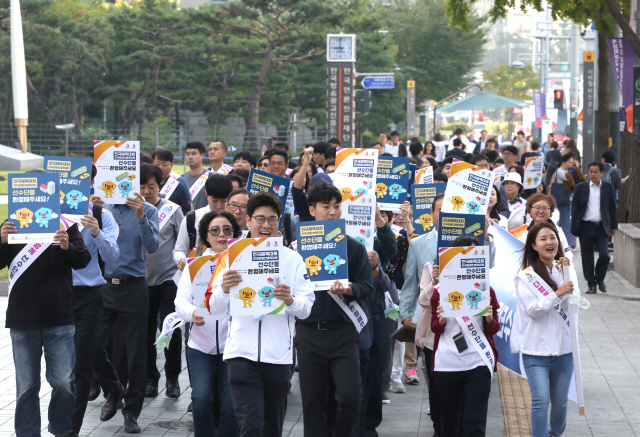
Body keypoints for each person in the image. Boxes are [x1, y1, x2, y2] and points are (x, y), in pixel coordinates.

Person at [209, 192, 315, 437]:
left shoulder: (293, 260)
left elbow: (307, 308)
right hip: (240, 356)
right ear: (248, 220)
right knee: (250, 427)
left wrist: (289, 300)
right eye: (260, 219)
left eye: (272, 219)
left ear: (279, 222)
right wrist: (225, 289)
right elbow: (213, 307)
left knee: (272, 429)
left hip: (278, 358)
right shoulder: (229, 258)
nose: (266, 225)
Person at [1, 173, 91, 437]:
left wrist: (66, 247)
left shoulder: (66, 225)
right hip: (22, 318)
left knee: (64, 382)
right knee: (26, 386)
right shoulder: (11, 225)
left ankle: (61, 430)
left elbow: (83, 259)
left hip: (60, 316)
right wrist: (1, 240)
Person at [295, 182, 374, 437]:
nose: (332, 212)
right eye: (325, 206)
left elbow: (367, 287)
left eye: (336, 206)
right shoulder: (296, 249)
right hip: (309, 333)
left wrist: (348, 289)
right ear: (312, 209)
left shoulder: (354, 247)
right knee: (312, 400)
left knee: (351, 397)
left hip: (344, 333)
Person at [90, 174, 160, 433]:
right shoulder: (100, 208)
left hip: (134, 288)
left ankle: (132, 412)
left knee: (136, 354)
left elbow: (152, 247)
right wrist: (92, 210)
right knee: (93, 343)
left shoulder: (148, 209)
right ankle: (113, 390)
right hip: (104, 285)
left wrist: (141, 216)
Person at [175, 211, 242, 437]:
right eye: (215, 230)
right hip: (200, 345)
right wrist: (192, 312)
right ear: (205, 236)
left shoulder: (242, 264)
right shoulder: (195, 265)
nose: (221, 234)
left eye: (227, 230)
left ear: (235, 233)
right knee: (201, 399)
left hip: (233, 346)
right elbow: (180, 302)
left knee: (231, 406)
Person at [431, 236, 500, 437]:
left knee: (475, 423)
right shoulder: (439, 291)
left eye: (475, 254)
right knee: (449, 423)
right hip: (448, 363)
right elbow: (434, 328)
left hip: (478, 361)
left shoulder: (487, 290)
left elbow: (494, 328)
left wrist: (488, 318)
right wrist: (441, 319)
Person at [70, 165, 121, 437]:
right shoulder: (49, 214)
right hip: (55, 295)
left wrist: (97, 232)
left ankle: (71, 430)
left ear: (90, 181)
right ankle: (113, 386)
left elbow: (113, 258)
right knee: (87, 351)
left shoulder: (101, 214)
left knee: (79, 363)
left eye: (80, 178)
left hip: (89, 295)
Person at [512, 222, 576, 437]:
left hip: (564, 351)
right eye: (543, 238)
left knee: (560, 403)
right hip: (535, 351)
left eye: (553, 237)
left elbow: (575, 306)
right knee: (541, 401)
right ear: (534, 245)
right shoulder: (525, 277)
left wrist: (568, 285)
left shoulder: (565, 271)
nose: (549, 242)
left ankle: (555, 434)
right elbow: (533, 310)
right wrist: (558, 293)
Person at [140, 164, 185, 399]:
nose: (146, 191)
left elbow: (182, 244)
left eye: (152, 186)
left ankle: (172, 378)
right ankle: (150, 378)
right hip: (142, 282)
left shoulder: (172, 210)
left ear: (160, 186)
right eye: (142, 186)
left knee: (170, 331)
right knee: (146, 332)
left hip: (169, 280)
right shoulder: (132, 210)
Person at [572, 162, 618, 294]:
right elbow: (575, 208)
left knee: (604, 255)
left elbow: (612, 208)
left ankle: (599, 279)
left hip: (602, 227)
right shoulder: (581, 188)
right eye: (590, 171)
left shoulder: (608, 188)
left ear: (601, 173)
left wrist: (613, 226)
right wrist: (575, 225)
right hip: (586, 227)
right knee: (587, 258)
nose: (593, 174)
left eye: (595, 172)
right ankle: (591, 284)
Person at [174, 174, 234, 271]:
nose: (219, 206)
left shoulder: (234, 219)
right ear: (206, 194)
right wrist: (180, 259)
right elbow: (179, 249)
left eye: (224, 201)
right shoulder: (192, 218)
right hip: (198, 273)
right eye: (214, 200)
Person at [520, 193, 573, 260]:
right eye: (537, 208)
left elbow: (566, 254)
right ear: (530, 210)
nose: (541, 211)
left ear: (550, 211)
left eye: (545, 208)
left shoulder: (557, 230)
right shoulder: (523, 230)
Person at [154, 148, 193, 214]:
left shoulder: (179, 187)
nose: (160, 168)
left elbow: (186, 213)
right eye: (157, 164)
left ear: (171, 165)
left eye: (165, 165)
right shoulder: (146, 185)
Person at [549, 154, 575, 241]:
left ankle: (558, 240)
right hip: (564, 200)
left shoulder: (563, 171)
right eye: (569, 162)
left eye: (572, 163)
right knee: (565, 222)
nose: (571, 165)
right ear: (563, 162)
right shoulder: (561, 172)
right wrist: (575, 170)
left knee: (563, 221)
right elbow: (571, 180)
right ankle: (562, 243)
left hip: (564, 200)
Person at [183, 141, 211, 210]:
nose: (190, 157)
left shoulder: (211, 177)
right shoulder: (181, 179)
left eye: (193, 154)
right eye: (187, 154)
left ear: (202, 156)